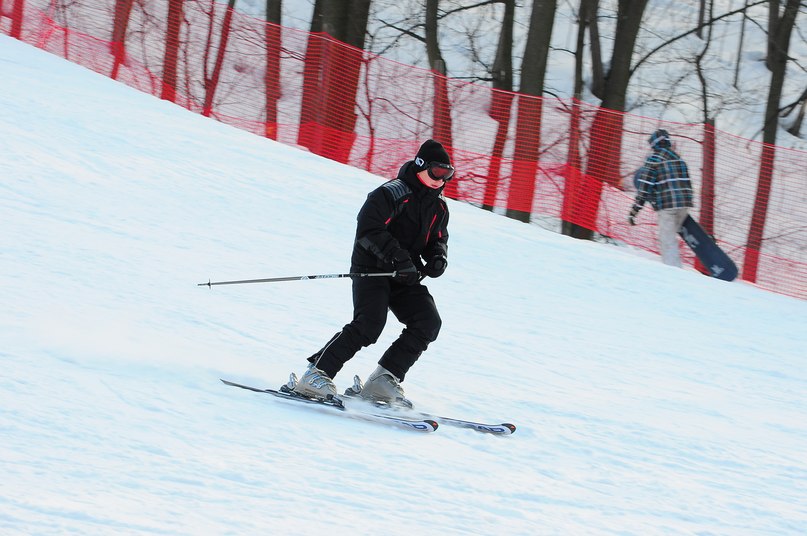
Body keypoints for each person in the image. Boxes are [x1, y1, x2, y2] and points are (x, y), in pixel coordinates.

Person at [292, 139, 453, 407]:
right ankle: (316, 374)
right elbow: (369, 230)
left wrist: (438, 257)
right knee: (369, 324)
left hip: (405, 275)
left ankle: (383, 380)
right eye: (437, 172)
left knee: (428, 321)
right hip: (373, 270)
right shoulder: (391, 193)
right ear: (421, 166)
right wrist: (397, 257)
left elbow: (438, 238)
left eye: (447, 175)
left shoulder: (439, 207)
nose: (441, 180)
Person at [628, 129, 694, 267]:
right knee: (671, 234)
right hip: (685, 203)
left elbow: (644, 188)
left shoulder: (654, 160)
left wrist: (634, 212)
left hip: (667, 206)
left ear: (654, 145)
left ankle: (673, 273)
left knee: (667, 240)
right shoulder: (679, 159)